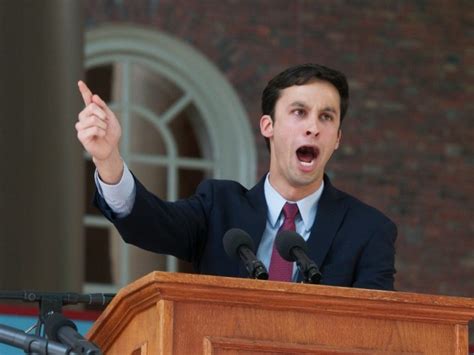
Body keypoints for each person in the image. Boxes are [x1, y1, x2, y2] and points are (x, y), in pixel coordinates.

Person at [76, 64, 397, 290]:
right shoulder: (219, 207)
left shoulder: (369, 231)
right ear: (268, 126)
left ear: (337, 137)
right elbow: (149, 224)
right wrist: (108, 158)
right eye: (299, 113)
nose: (313, 127)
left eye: (326, 117)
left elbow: (378, 330)